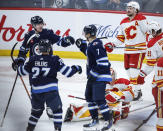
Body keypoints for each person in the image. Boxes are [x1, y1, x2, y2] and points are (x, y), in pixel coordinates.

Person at [11, 15, 75, 118]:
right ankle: (37, 105)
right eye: (37, 24)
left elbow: (60, 41)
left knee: (50, 84)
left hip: (48, 64)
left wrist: (67, 41)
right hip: (34, 64)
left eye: (41, 23)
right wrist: (20, 62)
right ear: (33, 25)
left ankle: (50, 105)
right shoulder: (29, 35)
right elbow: (23, 51)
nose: (40, 25)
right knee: (35, 85)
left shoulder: (48, 33)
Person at [16, 39, 82, 131]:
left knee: (35, 113)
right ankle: (57, 129)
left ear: (39, 49)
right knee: (57, 111)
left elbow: (21, 71)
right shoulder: (54, 59)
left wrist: (18, 64)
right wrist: (76, 68)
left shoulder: (33, 59)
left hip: (36, 91)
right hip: (51, 91)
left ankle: (29, 129)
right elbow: (68, 72)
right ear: (49, 48)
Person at [105, 1, 149, 101]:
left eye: (131, 8)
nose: (128, 9)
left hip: (138, 50)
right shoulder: (123, 21)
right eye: (127, 8)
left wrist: (150, 44)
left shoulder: (141, 18)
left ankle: (136, 93)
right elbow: (121, 38)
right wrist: (112, 44)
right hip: (128, 50)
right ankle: (137, 90)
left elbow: (147, 32)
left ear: (136, 9)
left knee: (134, 72)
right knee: (129, 71)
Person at [75, 24, 113, 131]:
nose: (84, 35)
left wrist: (93, 74)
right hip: (94, 76)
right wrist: (82, 46)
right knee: (89, 97)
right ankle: (94, 119)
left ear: (88, 34)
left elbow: (103, 63)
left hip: (100, 76)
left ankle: (108, 120)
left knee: (99, 99)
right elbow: (89, 54)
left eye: (85, 33)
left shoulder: (96, 44)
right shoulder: (92, 44)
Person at [64, 68, 134, 124]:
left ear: (115, 76)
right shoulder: (101, 85)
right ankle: (73, 112)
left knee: (118, 112)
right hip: (105, 105)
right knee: (93, 108)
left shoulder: (122, 81)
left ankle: (108, 114)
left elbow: (131, 91)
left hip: (118, 106)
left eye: (111, 77)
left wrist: (120, 95)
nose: (110, 80)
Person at [137, 21, 163, 131]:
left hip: (161, 68)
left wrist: (141, 75)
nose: (150, 33)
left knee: (157, 90)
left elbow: (150, 64)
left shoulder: (152, 44)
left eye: (151, 31)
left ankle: (161, 120)